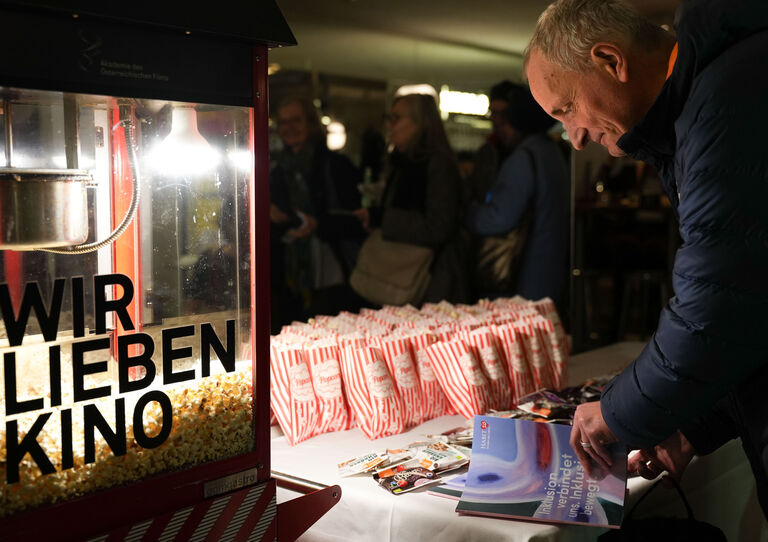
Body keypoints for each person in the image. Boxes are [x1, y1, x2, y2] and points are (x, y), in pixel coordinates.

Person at [525, 0, 768, 517]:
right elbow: (753, 311)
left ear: (611, 61)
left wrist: (613, 414)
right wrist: (693, 428)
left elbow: (716, 309)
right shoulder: (703, 101)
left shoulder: (724, 99)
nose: (575, 137)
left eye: (565, 109)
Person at [355, 93, 469, 304]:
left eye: (396, 118)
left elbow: (439, 225)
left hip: (430, 280)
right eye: (388, 118)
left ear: (420, 122)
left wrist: (383, 218)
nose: (390, 125)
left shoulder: (437, 164)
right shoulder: (401, 162)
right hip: (402, 274)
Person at [464, 83, 570, 310]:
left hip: (526, 277)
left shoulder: (524, 158)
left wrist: (468, 213)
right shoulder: (551, 152)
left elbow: (499, 218)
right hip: (549, 271)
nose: (499, 126)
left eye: (505, 118)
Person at [269, 96, 366, 331]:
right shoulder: (275, 170)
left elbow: (357, 221)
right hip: (289, 276)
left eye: (296, 120)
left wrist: (319, 224)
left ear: (311, 123)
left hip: (331, 272)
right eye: (283, 122)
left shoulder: (336, 165)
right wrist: (272, 218)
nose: (289, 128)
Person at [466, 80, 521, 202]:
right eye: (495, 113)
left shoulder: (528, 152)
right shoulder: (486, 152)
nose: (499, 120)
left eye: (505, 113)